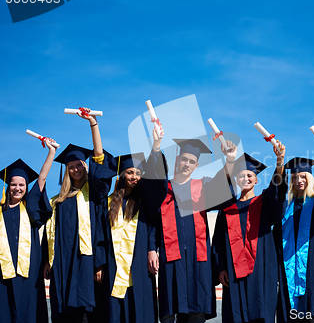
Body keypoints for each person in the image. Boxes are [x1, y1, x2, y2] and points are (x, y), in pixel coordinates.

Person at [149, 138, 237, 323]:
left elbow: (221, 187)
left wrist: (229, 161)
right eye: (184, 159)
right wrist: (151, 248)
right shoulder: (164, 189)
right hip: (171, 258)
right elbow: (153, 222)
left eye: (191, 161)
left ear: (196, 165)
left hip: (198, 260)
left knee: (195, 313)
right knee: (168, 310)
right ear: (177, 160)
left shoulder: (202, 186)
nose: (186, 164)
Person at [43, 108, 116, 323]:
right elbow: (49, 234)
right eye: (70, 167)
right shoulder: (57, 201)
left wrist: (93, 125)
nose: (74, 169)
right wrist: (47, 261)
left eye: (78, 165)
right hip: (62, 265)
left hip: (87, 264)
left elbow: (100, 158)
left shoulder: (94, 193)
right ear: (66, 171)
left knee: (87, 311)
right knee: (64, 312)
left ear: (85, 166)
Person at [212, 144, 285, 323]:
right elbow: (219, 242)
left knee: (261, 311)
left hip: (261, 269)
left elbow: (278, 192)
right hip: (232, 271)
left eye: (250, 175)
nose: (246, 178)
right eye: (242, 175)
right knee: (235, 315)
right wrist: (221, 267)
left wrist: (279, 162)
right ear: (236, 179)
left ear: (256, 179)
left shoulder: (264, 202)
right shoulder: (228, 209)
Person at [102, 127, 167, 323]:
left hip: (138, 264)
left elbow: (157, 184)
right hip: (113, 264)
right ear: (121, 175)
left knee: (139, 309)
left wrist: (156, 147)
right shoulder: (107, 203)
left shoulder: (145, 201)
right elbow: (99, 235)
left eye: (138, 173)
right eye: (129, 172)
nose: (134, 176)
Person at [275, 155, 314, 323]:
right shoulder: (286, 209)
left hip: (313, 266)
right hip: (289, 270)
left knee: (313, 312)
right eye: (295, 177)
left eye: (303, 176)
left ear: (310, 178)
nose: (299, 180)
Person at [0, 140, 57, 323]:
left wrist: (51, 153)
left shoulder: (30, 208)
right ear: (7, 186)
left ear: (26, 188)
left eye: (22, 185)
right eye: (13, 184)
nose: (17, 188)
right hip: (2, 271)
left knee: (28, 311)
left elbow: (41, 179)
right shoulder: (0, 211)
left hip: (28, 270)